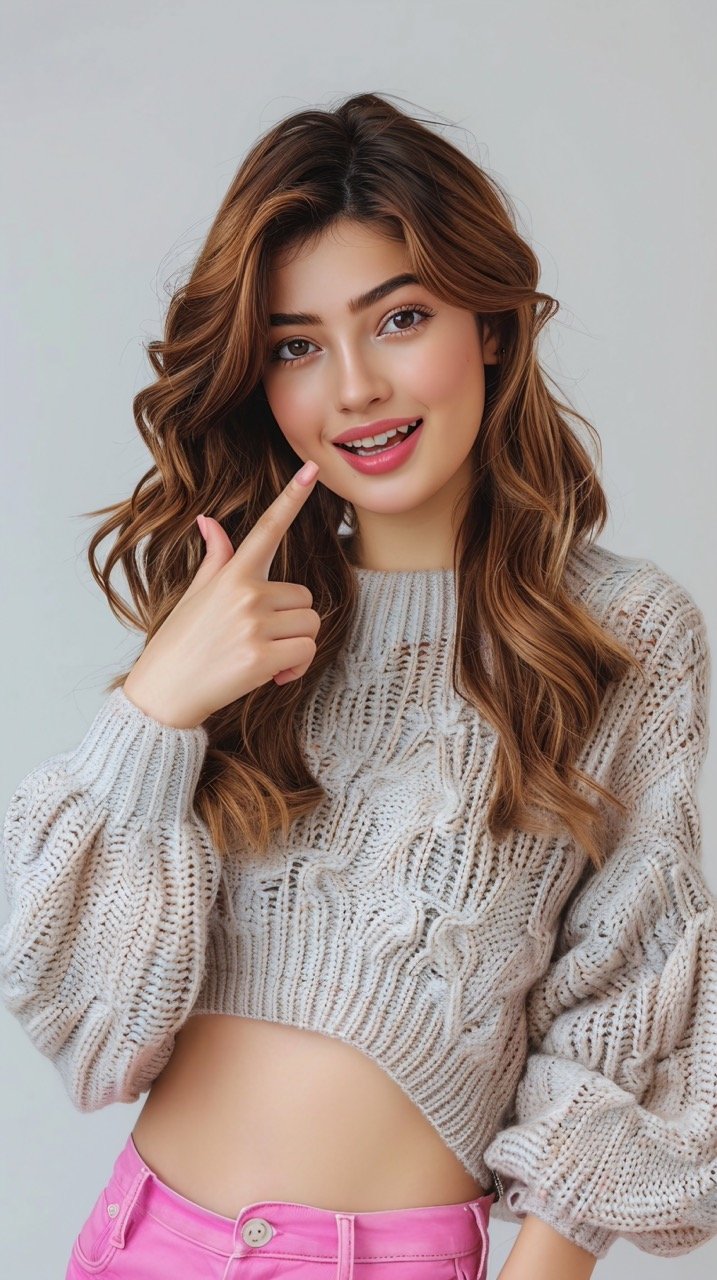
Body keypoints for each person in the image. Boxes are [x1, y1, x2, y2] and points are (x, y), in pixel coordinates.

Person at [1, 91, 715, 1280]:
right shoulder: (236, 620)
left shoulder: (619, 635)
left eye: (399, 318)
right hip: (139, 1242)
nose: (354, 389)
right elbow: (87, 1029)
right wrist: (155, 710)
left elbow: (632, 1002)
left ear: (490, 324)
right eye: (295, 344)